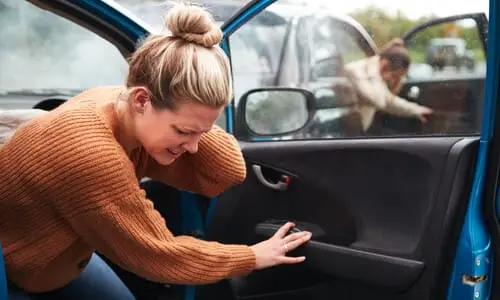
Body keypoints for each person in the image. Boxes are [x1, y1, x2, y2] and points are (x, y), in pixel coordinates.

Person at [0, 3, 312, 299]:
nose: (193, 147)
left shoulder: (117, 102)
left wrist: (196, 119)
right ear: (140, 100)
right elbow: (157, 253)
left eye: (203, 133)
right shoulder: (90, 153)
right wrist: (251, 256)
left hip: (61, 263)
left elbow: (226, 172)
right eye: (183, 131)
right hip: (14, 272)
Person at [343, 38, 434, 132]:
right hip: (345, 137)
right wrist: (374, 71)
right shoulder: (355, 72)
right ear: (384, 64)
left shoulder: (373, 75)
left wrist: (418, 110)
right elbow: (379, 101)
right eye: (395, 76)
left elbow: (389, 100)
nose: (393, 81)